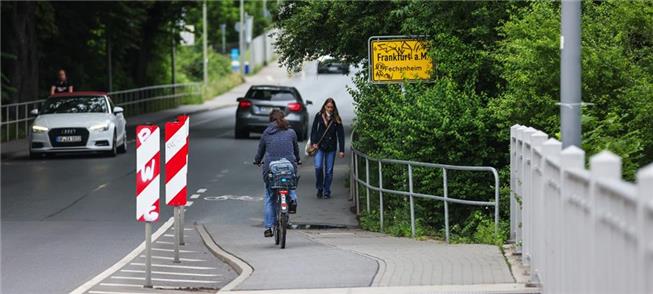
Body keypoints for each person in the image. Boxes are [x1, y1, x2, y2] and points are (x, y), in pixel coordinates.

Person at [254, 109, 300, 238]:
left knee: (270, 197)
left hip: (271, 168)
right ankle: (293, 199)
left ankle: (269, 227)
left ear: (270, 120)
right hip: (288, 166)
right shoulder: (291, 132)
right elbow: (295, 149)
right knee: (290, 184)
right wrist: (298, 159)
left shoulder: (266, 133)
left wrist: (257, 160)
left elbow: (260, 150)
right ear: (283, 118)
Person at [310, 97, 345, 199]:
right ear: (325, 106)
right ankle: (320, 187)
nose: (330, 109)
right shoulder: (319, 116)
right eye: (328, 107)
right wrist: (313, 143)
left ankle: (327, 191)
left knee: (329, 170)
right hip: (319, 146)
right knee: (318, 167)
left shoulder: (337, 119)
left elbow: (341, 135)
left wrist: (342, 150)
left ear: (334, 108)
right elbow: (313, 130)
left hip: (331, 147)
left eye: (331, 107)